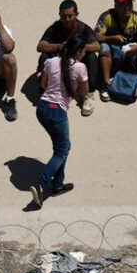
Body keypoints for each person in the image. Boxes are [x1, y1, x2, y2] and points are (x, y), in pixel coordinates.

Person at [29, 35, 89, 209]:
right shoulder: (80, 67)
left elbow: (44, 83)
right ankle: (41, 185)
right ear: (78, 51)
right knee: (62, 150)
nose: (85, 54)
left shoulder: (52, 61)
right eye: (84, 50)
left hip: (42, 108)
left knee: (63, 147)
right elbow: (85, 92)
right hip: (57, 111)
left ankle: (58, 185)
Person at [37, 0, 100, 116]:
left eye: (70, 16)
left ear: (76, 14)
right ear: (59, 15)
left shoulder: (83, 28)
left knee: (92, 57)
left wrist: (79, 47)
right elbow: (40, 46)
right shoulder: (55, 27)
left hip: (77, 62)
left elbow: (97, 46)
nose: (66, 20)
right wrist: (59, 46)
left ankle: (89, 94)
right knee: (44, 56)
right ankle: (44, 90)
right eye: (63, 16)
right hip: (60, 61)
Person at [94, 0, 137, 102]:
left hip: (131, 54)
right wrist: (111, 38)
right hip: (113, 55)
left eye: (129, 4)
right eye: (123, 5)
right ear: (115, 6)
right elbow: (96, 35)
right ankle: (106, 84)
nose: (127, 7)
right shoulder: (107, 16)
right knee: (104, 47)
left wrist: (136, 48)